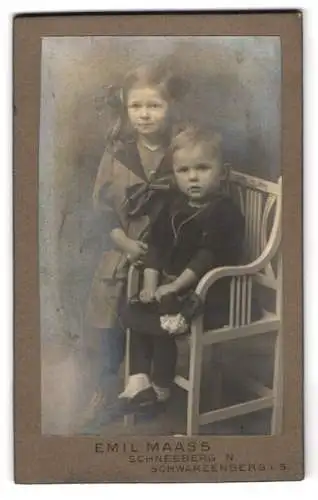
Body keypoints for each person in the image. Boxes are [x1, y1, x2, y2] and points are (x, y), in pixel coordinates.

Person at [82, 62, 187, 428]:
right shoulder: (117, 155)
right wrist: (125, 243)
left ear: (171, 105)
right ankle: (108, 384)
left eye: (154, 106)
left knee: (153, 306)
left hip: (167, 258)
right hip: (124, 246)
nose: (144, 114)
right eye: (136, 106)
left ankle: (153, 387)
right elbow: (102, 213)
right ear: (126, 109)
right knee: (109, 303)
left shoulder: (183, 152)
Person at [114, 125, 246, 415]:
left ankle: (160, 385)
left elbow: (207, 257)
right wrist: (150, 284)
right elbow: (157, 246)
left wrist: (172, 287)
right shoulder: (174, 205)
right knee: (140, 308)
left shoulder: (224, 212)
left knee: (160, 312)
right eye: (184, 171)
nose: (193, 177)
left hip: (214, 294)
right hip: (174, 290)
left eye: (202, 168)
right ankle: (139, 380)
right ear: (175, 174)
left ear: (221, 172)